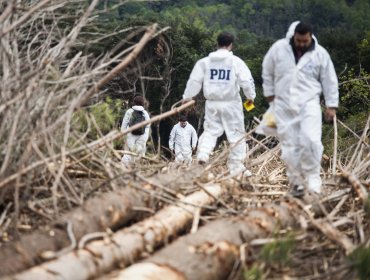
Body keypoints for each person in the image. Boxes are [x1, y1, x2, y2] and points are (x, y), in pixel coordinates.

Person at [261, 21, 339, 197]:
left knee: (311, 140)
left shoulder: (320, 54)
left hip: (309, 103)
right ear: (293, 37)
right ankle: (296, 183)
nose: (302, 44)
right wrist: (269, 93)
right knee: (290, 146)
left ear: (310, 37)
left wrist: (331, 105)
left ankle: (313, 180)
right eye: (298, 40)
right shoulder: (278, 49)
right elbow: (267, 71)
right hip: (283, 104)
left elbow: (329, 79)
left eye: (305, 41)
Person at [182, 31, 256, 177]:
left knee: (210, 131)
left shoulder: (205, 62)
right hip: (231, 103)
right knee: (236, 134)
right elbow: (246, 82)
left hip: (212, 103)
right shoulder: (236, 62)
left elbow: (194, 81)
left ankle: (202, 155)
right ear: (231, 45)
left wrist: (187, 98)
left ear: (217, 44)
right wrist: (250, 97)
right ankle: (236, 167)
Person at [120, 95, 150, 166]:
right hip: (142, 135)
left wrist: (122, 134)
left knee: (128, 152)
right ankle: (141, 169)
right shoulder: (145, 113)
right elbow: (148, 125)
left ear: (134, 102)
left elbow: (124, 124)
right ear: (143, 103)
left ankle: (123, 168)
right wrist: (145, 137)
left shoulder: (129, 111)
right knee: (140, 153)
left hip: (130, 134)